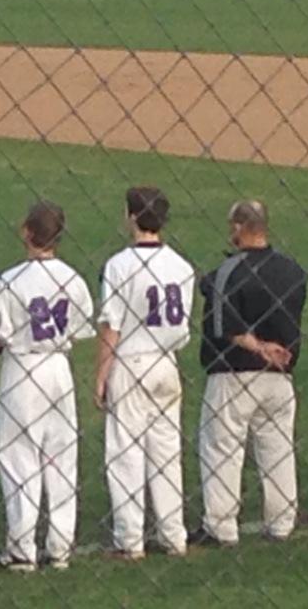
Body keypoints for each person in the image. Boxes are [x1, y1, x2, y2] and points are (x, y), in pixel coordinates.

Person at [194, 200, 306, 546]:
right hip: (280, 378)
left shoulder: (229, 271)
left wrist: (258, 347)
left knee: (222, 448)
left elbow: (224, 327)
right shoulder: (292, 270)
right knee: (277, 448)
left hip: (234, 374)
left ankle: (221, 527)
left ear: (239, 227)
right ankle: (282, 522)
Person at [0, 201, 96, 571]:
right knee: (62, 457)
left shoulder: (9, 279)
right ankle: (60, 546)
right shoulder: (73, 279)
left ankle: (22, 548)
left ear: (27, 231)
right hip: (58, 369)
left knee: (20, 457)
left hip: (23, 369)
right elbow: (81, 329)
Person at [94, 186, 195, 559]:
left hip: (132, 362)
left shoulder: (119, 265)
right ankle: (174, 536)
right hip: (167, 364)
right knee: (166, 453)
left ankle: (130, 540)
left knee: (126, 454)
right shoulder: (182, 266)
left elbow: (112, 327)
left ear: (132, 216)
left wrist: (101, 375)